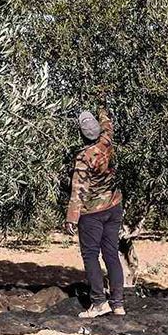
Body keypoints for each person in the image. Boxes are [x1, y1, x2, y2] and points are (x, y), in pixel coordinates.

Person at [66, 108, 126, 319]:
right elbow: (108, 124)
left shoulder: (84, 157)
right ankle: (118, 303)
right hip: (114, 206)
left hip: (92, 212)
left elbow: (78, 190)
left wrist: (71, 218)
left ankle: (99, 302)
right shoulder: (107, 141)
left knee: (91, 255)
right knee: (111, 253)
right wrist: (102, 108)